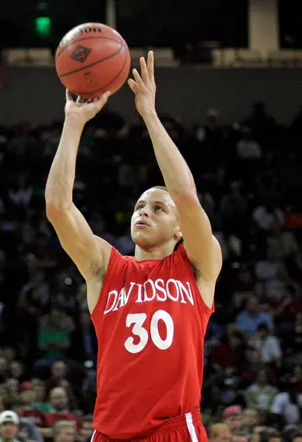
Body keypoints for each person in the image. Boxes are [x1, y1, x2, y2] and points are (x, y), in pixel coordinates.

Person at [45, 51, 221, 442]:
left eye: (159, 208)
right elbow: (58, 208)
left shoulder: (196, 266)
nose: (144, 212)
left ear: (179, 229)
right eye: (140, 206)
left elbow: (187, 197)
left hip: (172, 429)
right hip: (108, 432)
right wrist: (73, 123)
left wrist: (149, 116)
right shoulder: (107, 269)